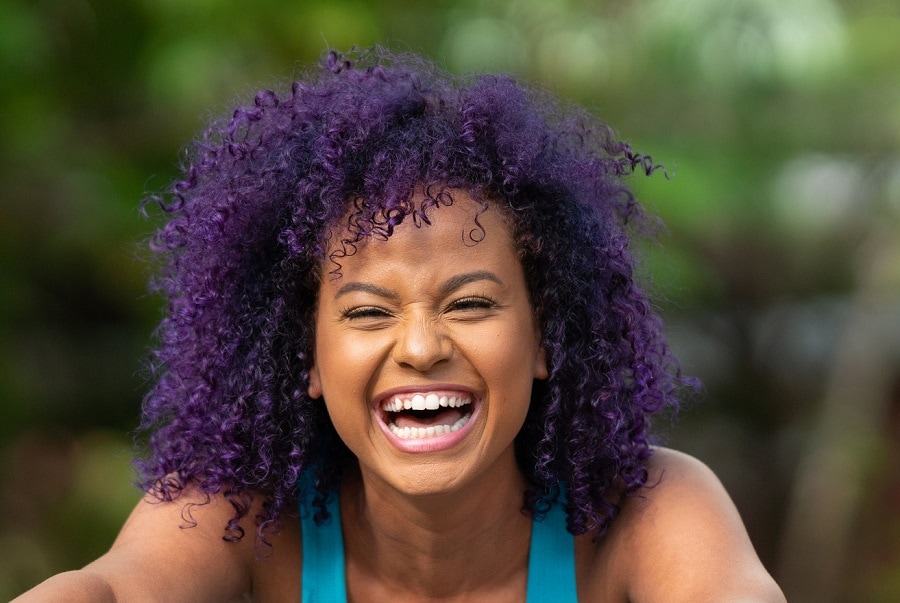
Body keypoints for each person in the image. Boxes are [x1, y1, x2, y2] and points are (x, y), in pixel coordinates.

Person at [15, 47, 785, 602]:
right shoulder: (239, 516)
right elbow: (110, 589)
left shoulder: (649, 510)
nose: (420, 347)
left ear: (546, 335)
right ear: (306, 355)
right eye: (368, 312)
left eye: (470, 303)